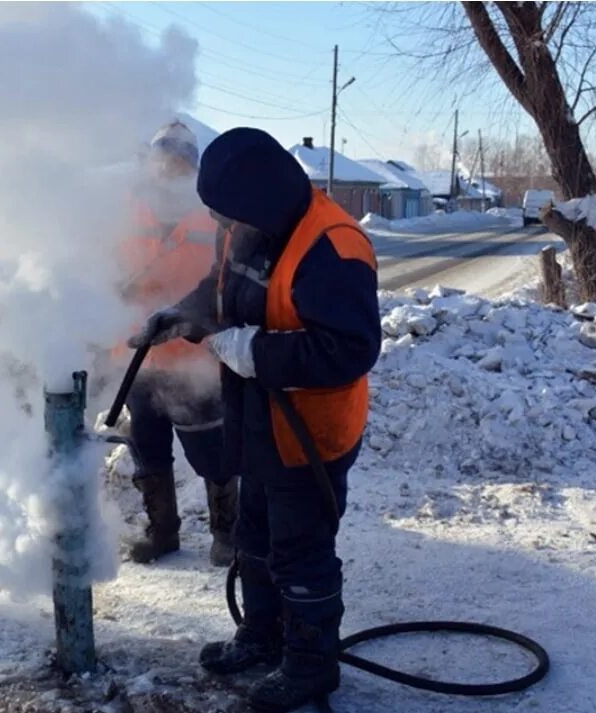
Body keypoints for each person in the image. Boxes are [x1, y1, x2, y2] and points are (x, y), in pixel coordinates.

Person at [130, 127, 381, 711]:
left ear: (257, 197)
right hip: (258, 419)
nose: (220, 226)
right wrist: (182, 315)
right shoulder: (251, 227)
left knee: (300, 551)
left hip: (309, 434)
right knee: (255, 538)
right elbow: (221, 289)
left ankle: (310, 666)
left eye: (226, 214)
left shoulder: (334, 248)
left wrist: (253, 352)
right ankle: (262, 636)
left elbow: (349, 349)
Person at [118, 120, 238, 567]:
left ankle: (228, 532)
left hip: (194, 356)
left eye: (179, 163)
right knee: (147, 450)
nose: (168, 171)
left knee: (213, 451)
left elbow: (226, 284)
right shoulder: (126, 212)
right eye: (162, 162)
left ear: (192, 168)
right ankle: (162, 531)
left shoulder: (213, 216)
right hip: (138, 356)